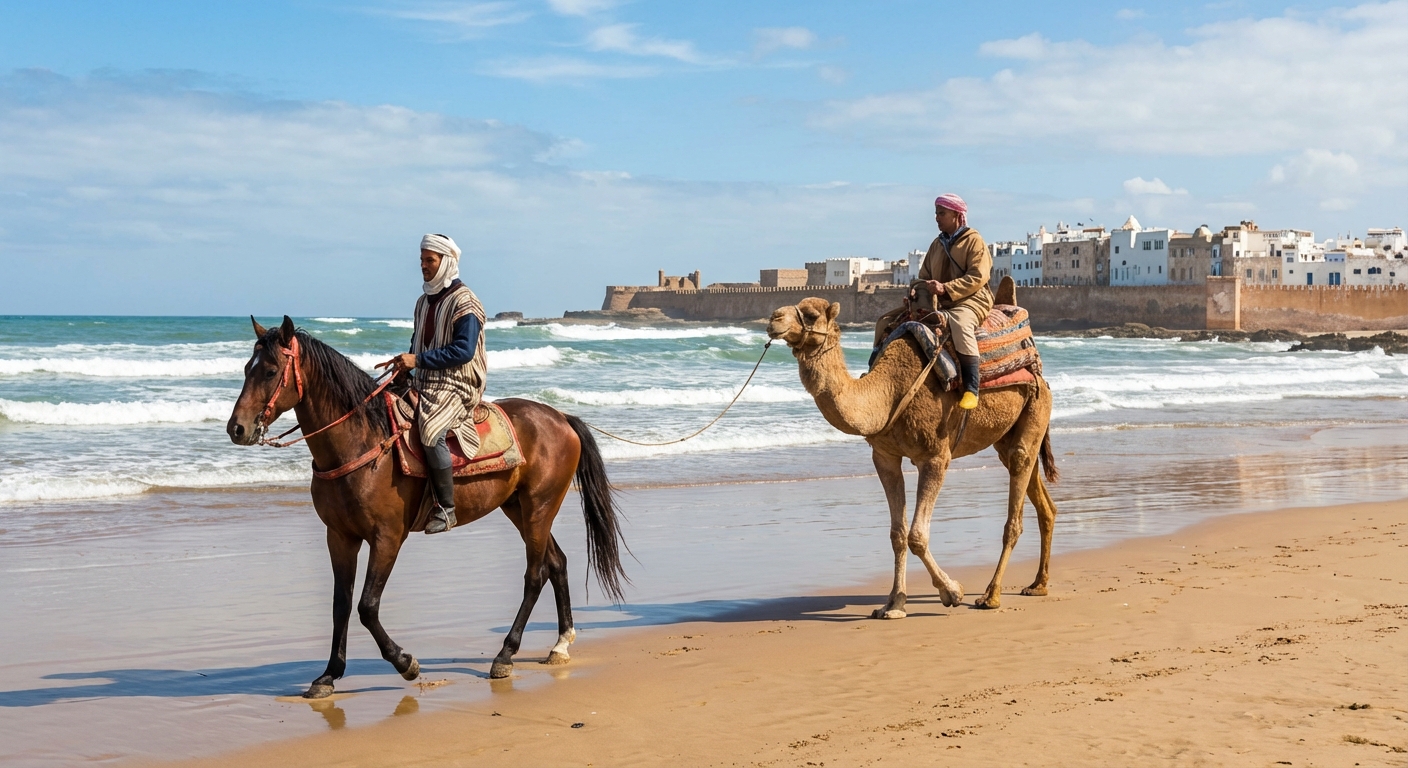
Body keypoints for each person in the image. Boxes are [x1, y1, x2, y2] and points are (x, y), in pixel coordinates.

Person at [382, 234, 487, 534]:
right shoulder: (422, 301)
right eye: (421, 261)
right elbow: (418, 344)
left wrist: (419, 361)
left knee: (429, 432)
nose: (424, 266)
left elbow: (463, 351)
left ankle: (447, 508)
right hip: (426, 379)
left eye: (430, 261)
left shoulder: (465, 301)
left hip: (459, 382)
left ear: (446, 262)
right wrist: (404, 366)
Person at [875, 193, 992, 410]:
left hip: (971, 299)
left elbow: (978, 276)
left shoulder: (974, 241)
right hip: (939, 301)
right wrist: (915, 294)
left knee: (960, 324)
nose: (936, 218)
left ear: (957, 215)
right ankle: (875, 371)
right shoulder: (936, 245)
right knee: (887, 321)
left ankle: (971, 388)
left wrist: (947, 288)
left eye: (941, 213)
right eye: (936, 213)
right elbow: (923, 277)